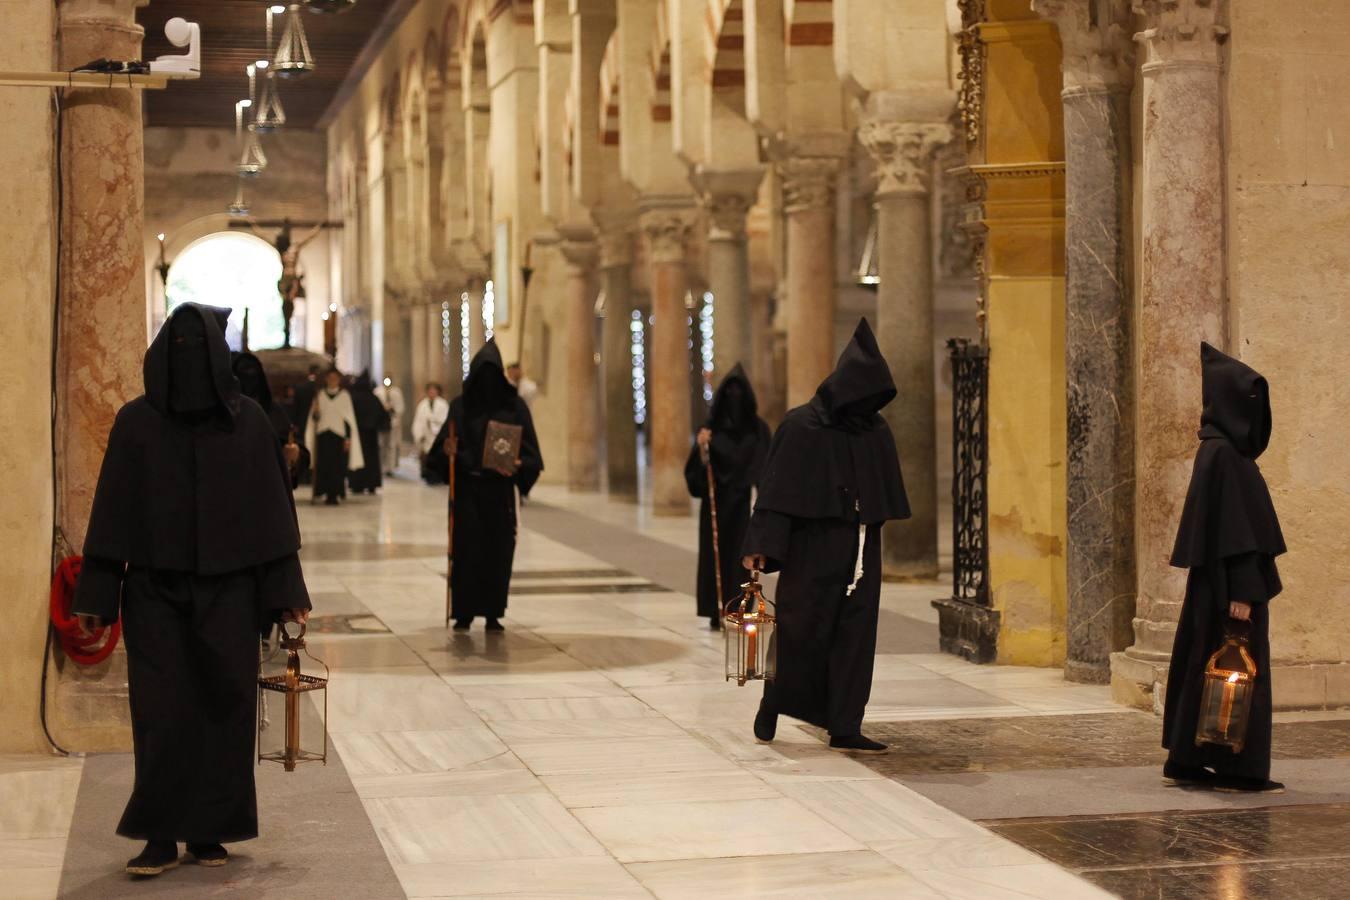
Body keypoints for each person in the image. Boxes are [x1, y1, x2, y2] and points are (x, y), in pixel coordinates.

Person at [71, 303, 310, 877]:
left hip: (232, 594)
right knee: (161, 712)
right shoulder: (136, 423)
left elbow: (272, 518)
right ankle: (158, 834)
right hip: (155, 593)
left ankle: (209, 829)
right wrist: (97, 598)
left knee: (226, 707)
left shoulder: (248, 422)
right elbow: (112, 514)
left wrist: (286, 595)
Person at [740, 319, 910, 754]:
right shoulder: (802, 427)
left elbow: (881, 494)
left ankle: (845, 724)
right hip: (812, 549)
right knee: (801, 631)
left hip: (861, 551)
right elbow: (776, 494)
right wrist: (761, 546)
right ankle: (773, 702)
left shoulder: (874, 430)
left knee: (856, 637)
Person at [1162, 342, 1286, 793]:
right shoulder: (1224, 457)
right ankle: (1238, 767)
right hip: (1231, 591)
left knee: (1204, 662)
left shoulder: (1218, 452)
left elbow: (1231, 533)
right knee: (1237, 668)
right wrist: (1243, 593)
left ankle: (1189, 759)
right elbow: (1237, 539)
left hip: (1212, 589)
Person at [426, 340, 543, 632]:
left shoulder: (514, 407)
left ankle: (493, 611)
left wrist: (518, 465)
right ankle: (463, 611)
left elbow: (532, 455)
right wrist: (448, 450)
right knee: (466, 553)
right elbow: (439, 451)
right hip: (467, 491)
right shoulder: (460, 407)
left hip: (499, 493)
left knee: (497, 552)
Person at [684, 364, 771, 629]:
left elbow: (766, 468)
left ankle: (741, 606)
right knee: (715, 557)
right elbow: (695, 476)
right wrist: (702, 450)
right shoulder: (710, 430)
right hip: (715, 503)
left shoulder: (757, 430)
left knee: (741, 557)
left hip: (742, 505)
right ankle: (716, 607)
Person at [232, 351, 306, 486]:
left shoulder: (272, 410)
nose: (249, 378)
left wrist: (295, 454)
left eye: (253, 372)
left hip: (267, 486)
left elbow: (293, 448)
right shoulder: (225, 411)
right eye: (244, 372)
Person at [304, 367, 363, 505]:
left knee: (337, 466)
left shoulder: (344, 396)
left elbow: (349, 420)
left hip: (338, 437)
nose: (332, 381)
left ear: (339, 380)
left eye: (335, 379)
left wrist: (347, 439)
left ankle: (335, 493)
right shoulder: (320, 395)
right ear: (326, 380)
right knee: (324, 465)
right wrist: (316, 413)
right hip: (323, 436)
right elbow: (314, 418)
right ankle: (323, 491)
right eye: (330, 379)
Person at [347, 371, 389, 494]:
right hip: (371, 435)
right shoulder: (373, 398)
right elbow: (383, 416)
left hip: (358, 435)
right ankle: (371, 484)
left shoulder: (354, 398)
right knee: (371, 460)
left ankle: (357, 484)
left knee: (358, 457)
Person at [411, 382, 450, 484]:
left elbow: (445, 420)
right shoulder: (422, 405)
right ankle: (428, 476)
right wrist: (419, 434)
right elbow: (418, 421)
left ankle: (439, 476)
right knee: (426, 457)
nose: (432, 392)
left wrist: (433, 422)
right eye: (430, 390)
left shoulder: (443, 404)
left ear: (438, 391)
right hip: (426, 435)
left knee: (438, 457)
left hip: (437, 436)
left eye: (434, 390)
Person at [374, 376, 406, 475]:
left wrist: (392, 408)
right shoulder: (377, 392)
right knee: (380, 444)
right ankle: (381, 466)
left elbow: (401, 407)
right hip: (381, 422)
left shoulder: (396, 392)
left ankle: (390, 468)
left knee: (391, 445)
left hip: (393, 422)